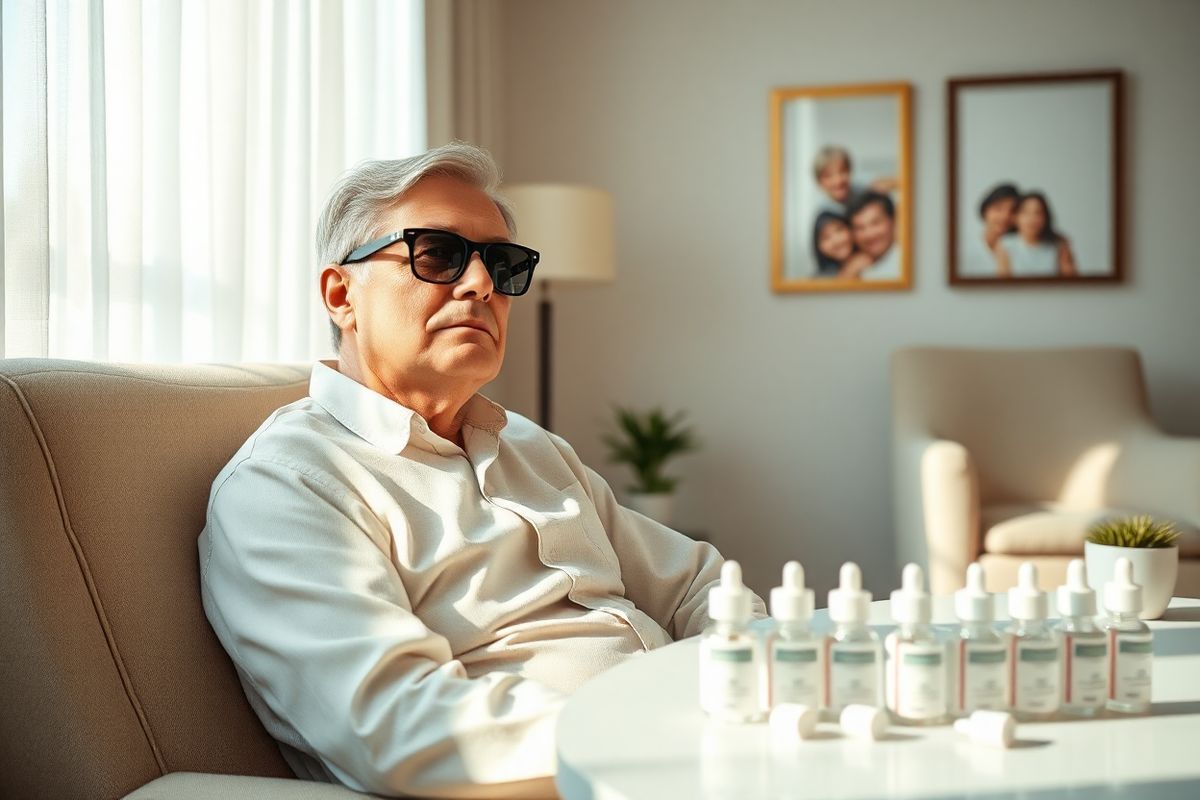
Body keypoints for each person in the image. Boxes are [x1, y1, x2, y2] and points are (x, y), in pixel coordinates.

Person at [197, 142, 765, 799]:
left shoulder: (528, 444)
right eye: (436, 253)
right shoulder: (289, 485)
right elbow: (402, 727)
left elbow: (696, 584)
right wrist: (670, 737)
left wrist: (761, 684)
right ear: (341, 294)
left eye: (501, 263)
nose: (481, 285)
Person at [996, 191, 1077, 277]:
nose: (1032, 219)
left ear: (1046, 218)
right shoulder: (1005, 244)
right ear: (1015, 217)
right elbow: (1004, 284)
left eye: (1038, 213)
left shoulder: (1059, 244)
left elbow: (1071, 282)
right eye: (1025, 213)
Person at [811, 145, 898, 213]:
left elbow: (893, 183)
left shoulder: (861, 188)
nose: (838, 180)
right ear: (819, 182)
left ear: (850, 171)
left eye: (842, 171)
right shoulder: (824, 213)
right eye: (828, 176)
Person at [961, 183, 1019, 277]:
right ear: (985, 210)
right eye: (998, 208)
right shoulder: (964, 248)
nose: (1005, 216)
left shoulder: (1023, 249)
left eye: (1012, 211)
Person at [843, 191, 901, 280]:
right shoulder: (857, 268)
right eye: (860, 228)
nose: (869, 234)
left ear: (892, 221)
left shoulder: (905, 259)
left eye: (876, 223)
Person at [812, 211, 872, 278]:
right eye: (826, 237)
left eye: (839, 230)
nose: (836, 240)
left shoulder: (870, 259)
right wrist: (850, 271)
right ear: (819, 246)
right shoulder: (818, 280)